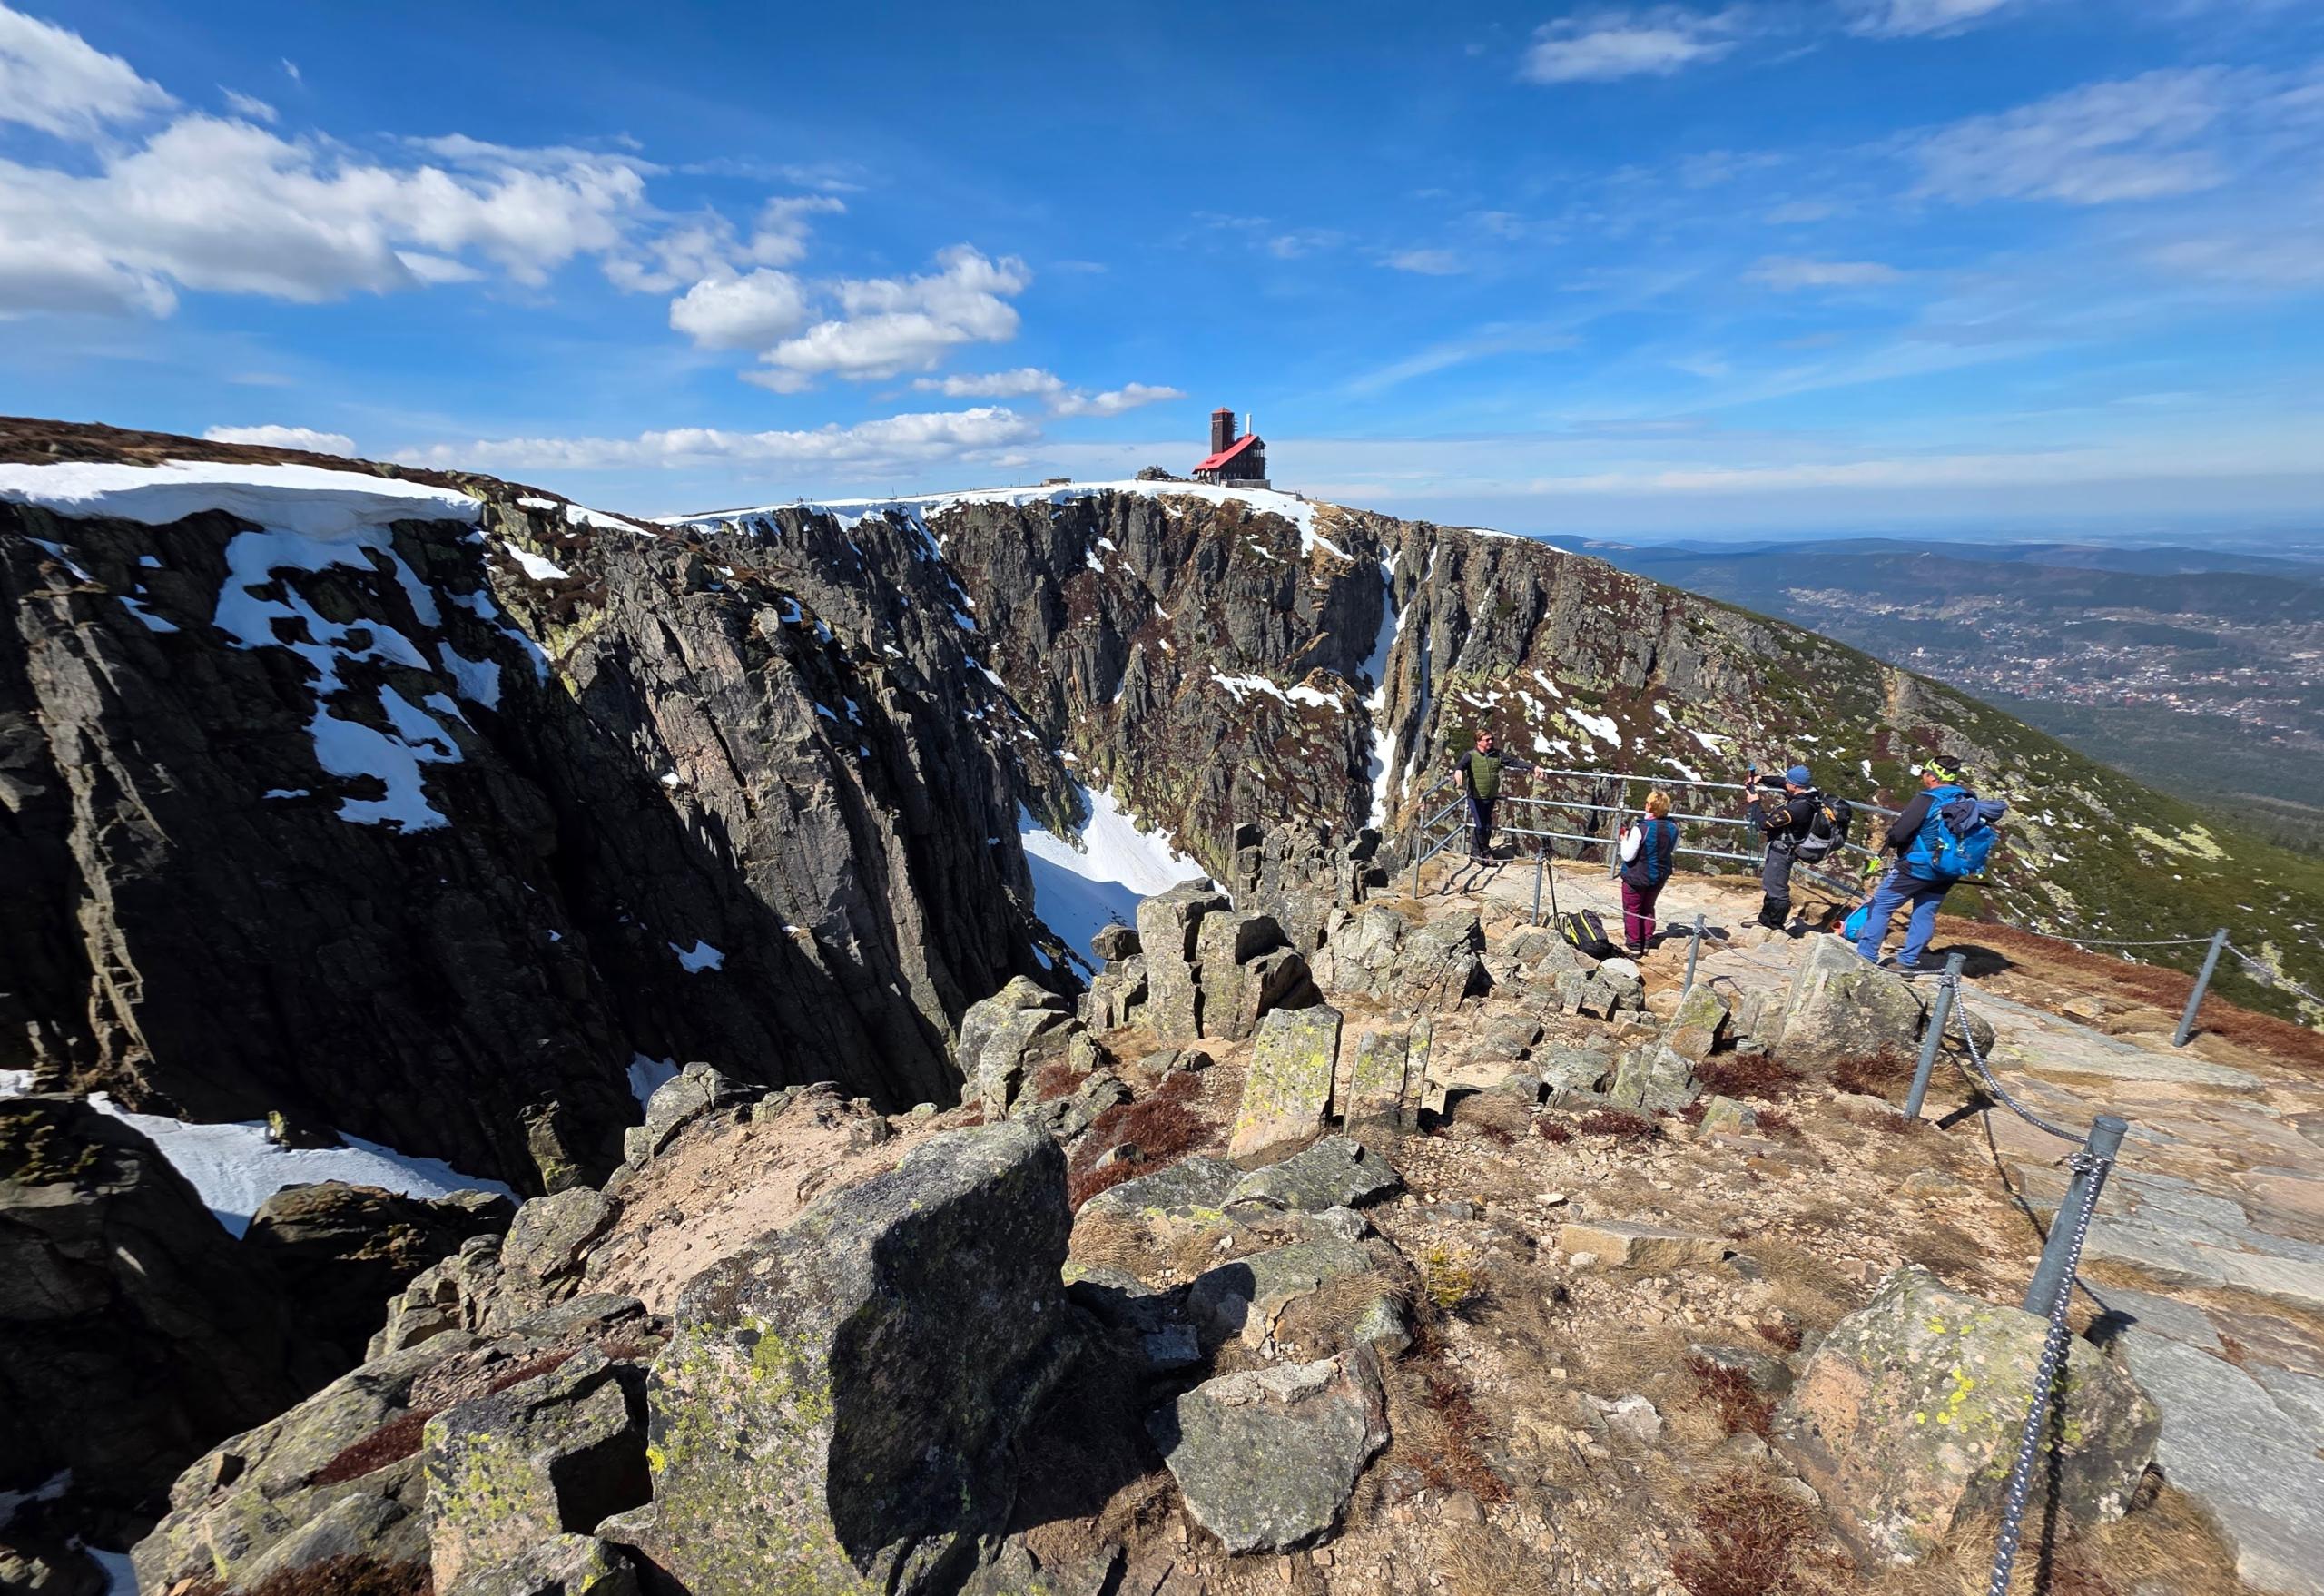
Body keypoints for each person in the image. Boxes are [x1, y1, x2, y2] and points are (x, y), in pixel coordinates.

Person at [1856, 757, 1977, 970]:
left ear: (1932, 776)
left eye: (1924, 772)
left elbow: (1899, 834)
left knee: (1881, 905)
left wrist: (1892, 837)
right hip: (1949, 867)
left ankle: (1866, 956)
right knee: (1924, 913)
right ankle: (1907, 961)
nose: (1923, 776)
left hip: (1918, 865)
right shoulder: (1967, 798)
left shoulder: (1927, 799)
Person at [1741, 763, 1818, 931]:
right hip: (1786, 846)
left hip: (1782, 849)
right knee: (1772, 882)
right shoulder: (1809, 795)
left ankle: (1774, 924)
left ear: (1795, 786)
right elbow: (1782, 783)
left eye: (1788, 782)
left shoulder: (1796, 809)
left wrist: (1755, 803)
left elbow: (1765, 824)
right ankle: (1765, 920)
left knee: (1776, 887)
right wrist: (1761, 779)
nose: (1785, 783)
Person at [1618, 790, 1679, 953]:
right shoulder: (1673, 827)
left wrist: (1624, 840)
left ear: (1649, 806)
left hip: (1637, 875)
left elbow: (1628, 856)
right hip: (1659, 874)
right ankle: (1647, 940)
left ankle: (1634, 944)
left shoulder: (1641, 829)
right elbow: (1673, 848)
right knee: (1648, 907)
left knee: (1632, 909)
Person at [1457, 731, 1532, 860]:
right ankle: (1485, 852)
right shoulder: (1470, 755)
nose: (1490, 741)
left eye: (1491, 739)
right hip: (1475, 797)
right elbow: (1460, 765)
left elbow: (1514, 762)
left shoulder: (1497, 755)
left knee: (1486, 825)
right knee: (1481, 826)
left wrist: (1533, 767)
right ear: (1478, 741)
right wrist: (1458, 771)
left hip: (1490, 797)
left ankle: (1476, 852)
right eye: (1487, 740)